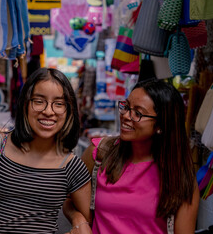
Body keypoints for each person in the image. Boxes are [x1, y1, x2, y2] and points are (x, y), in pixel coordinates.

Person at [0, 67, 91, 234]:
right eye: (39, 101)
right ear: (25, 104)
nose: (48, 111)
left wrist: (77, 218)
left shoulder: (72, 167)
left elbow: (91, 220)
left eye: (58, 104)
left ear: (69, 111)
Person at [63, 80, 200, 234]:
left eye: (137, 113)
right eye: (126, 107)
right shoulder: (99, 153)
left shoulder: (179, 176)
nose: (126, 116)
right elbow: (69, 200)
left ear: (161, 125)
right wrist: (78, 221)